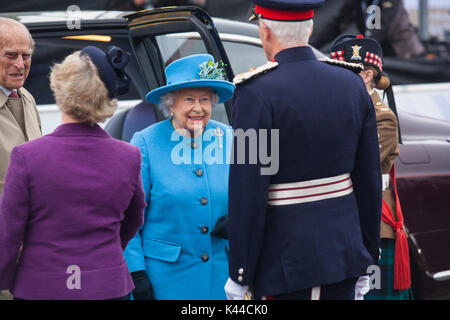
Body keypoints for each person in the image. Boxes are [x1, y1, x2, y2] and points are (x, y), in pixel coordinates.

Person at [225, 0, 382, 300]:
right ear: (310, 29)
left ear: (265, 32)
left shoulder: (255, 93)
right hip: (345, 255)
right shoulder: (351, 84)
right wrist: (367, 255)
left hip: (286, 263)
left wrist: (240, 271)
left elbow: (248, 191)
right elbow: (369, 181)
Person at [0, 45, 146, 300]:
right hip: (107, 286)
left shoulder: (27, 156)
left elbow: (9, 233)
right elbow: (134, 218)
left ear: (59, 88)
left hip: (41, 286)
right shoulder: (128, 156)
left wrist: (5, 278)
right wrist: (105, 256)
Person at [123, 54, 235, 300]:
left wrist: (239, 218)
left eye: (205, 99)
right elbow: (128, 216)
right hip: (165, 278)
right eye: (189, 99)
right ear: (171, 103)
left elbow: (251, 196)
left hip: (222, 277)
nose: (198, 108)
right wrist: (136, 274)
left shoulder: (229, 138)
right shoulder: (145, 143)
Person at [329, 34, 412, 300]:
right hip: (343, 220)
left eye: (343, 72)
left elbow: (352, 166)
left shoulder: (383, 119)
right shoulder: (340, 109)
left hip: (371, 224)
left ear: (365, 75)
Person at [0, 18, 42, 301]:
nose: (20, 63)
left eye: (26, 56)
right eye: (10, 55)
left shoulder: (27, 98)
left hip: (33, 250)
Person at [309, 0, 425, 58]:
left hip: (400, 54)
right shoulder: (356, 1)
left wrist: (353, 50)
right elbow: (335, 26)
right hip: (375, 52)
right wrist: (309, 46)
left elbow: (380, 30)